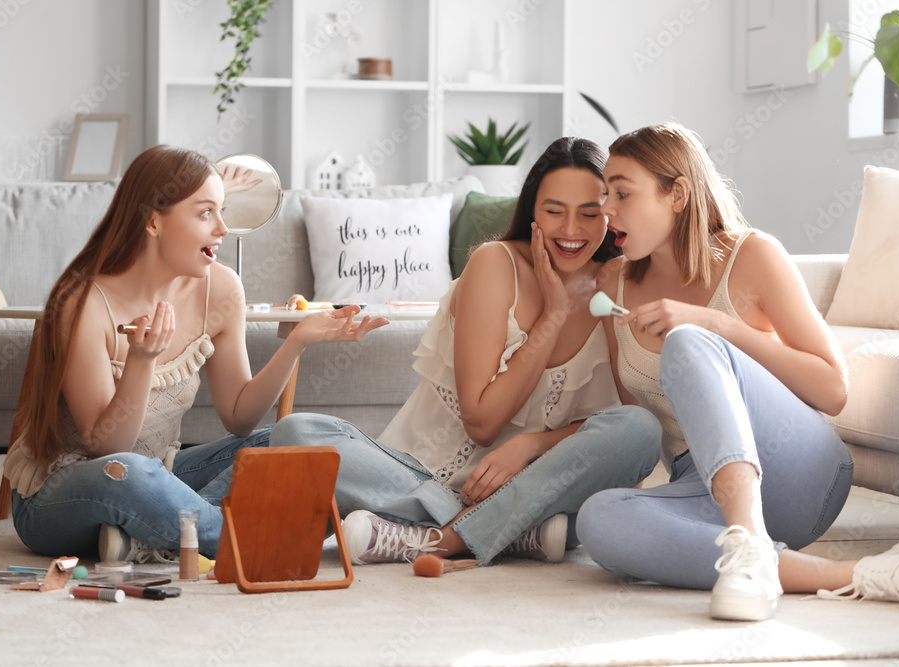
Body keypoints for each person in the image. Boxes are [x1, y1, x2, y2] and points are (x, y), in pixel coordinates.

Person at [576, 122, 899, 621]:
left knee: (688, 341)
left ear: (677, 194)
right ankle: (849, 573)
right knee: (599, 520)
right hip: (698, 483)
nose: (607, 210)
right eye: (605, 194)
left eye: (622, 192)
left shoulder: (751, 255)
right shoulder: (613, 282)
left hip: (796, 471)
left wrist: (712, 323)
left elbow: (833, 389)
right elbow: (638, 415)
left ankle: (749, 540)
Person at [272, 137, 662, 565]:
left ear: (609, 214)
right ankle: (515, 531)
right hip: (422, 476)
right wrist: (553, 315)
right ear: (532, 211)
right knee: (296, 435)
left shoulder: (614, 283)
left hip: (533, 480)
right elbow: (482, 423)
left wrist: (532, 445)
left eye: (589, 214)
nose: (571, 230)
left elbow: (622, 426)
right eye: (554, 211)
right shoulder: (495, 263)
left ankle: (442, 536)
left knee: (641, 428)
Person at [3, 145, 387, 562]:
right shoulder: (83, 303)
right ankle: (263, 539)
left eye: (222, 211)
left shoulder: (220, 289)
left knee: (298, 443)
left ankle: (150, 537)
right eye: (206, 213)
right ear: (153, 221)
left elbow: (239, 418)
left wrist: (297, 342)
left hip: (163, 476)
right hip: (67, 492)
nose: (222, 228)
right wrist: (142, 361)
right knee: (131, 475)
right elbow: (106, 448)